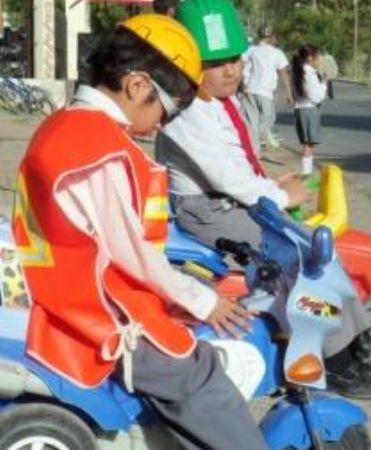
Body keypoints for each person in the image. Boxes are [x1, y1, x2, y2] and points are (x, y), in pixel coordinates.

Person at [11, 14, 267, 450]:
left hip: (62, 290)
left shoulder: (64, 124)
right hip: (95, 310)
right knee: (200, 375)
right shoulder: (101, 148)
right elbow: (134, 255)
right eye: (166, 110)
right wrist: (205, 301)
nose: (164, 124)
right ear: (136, 86)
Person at [157, 0, 310, 252]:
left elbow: (233, 157)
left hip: (227, 198)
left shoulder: (221, 99)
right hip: (208, 211)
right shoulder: (189, 110)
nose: (230, 71)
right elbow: (225, 175)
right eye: (215, 63)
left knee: (299, 233)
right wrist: (280, 197)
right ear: (189, 63)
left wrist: (267, 184)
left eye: (234, 59)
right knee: (294, 245)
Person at [243, 25, 293, 150]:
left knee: (253, 123)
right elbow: (284, 74)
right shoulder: (277, 53)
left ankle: (254, 149)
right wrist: (289, 93)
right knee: (267, 120)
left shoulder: (250, 50)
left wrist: (241, 86)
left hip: (249, 90)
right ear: (271, 37)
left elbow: (241, 67)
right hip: (265, 92)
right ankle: (258, 142)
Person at [292, 45, 327, 176]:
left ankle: (307, 173)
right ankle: (306, 174)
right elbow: (316, 96)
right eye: (318, 57)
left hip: (300, 109)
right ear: (310, 58)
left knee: (307, 144)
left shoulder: (298, 71)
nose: (319, 61)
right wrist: (323, 84)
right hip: (309, 110)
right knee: (309, 145)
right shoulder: (310, 73)